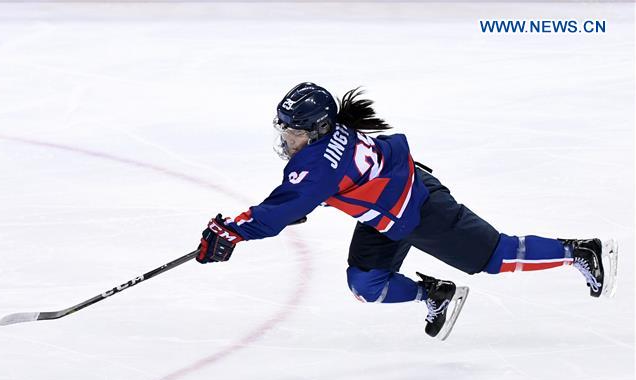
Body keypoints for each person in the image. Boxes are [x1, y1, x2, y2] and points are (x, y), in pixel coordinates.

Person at [195, 82, 618, 340]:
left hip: (422, 208)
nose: (287, 138)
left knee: (496, 257)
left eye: (294, 130)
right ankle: (436, 294)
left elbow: (277, 213)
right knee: (364, 284)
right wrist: (296, 206)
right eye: (284, 128)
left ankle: (581, 251)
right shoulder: (329, 141)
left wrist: (230, 230)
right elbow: (316, 192)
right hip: (385, 214)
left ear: (319, 129)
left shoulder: (318, 163)